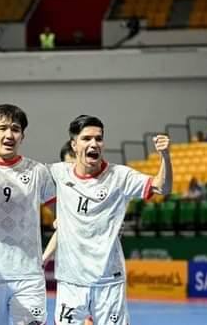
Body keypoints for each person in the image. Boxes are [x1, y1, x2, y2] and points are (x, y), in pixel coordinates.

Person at [47, 115, 172, 325]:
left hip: (108, 281)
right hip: (71, 282)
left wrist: (165, 156)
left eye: (99, 138)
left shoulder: (120, 176)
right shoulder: (58, 173)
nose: (94, 144)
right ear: (74, 144)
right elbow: (20, 176)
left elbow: (163, 187)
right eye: (87, 138)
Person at [0, 104, 56, 325]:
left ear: (22, 136)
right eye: (2, 128)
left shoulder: (37, 172)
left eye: (15, 129)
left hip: (28, 277)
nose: (9, 134)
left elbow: (62, 215)